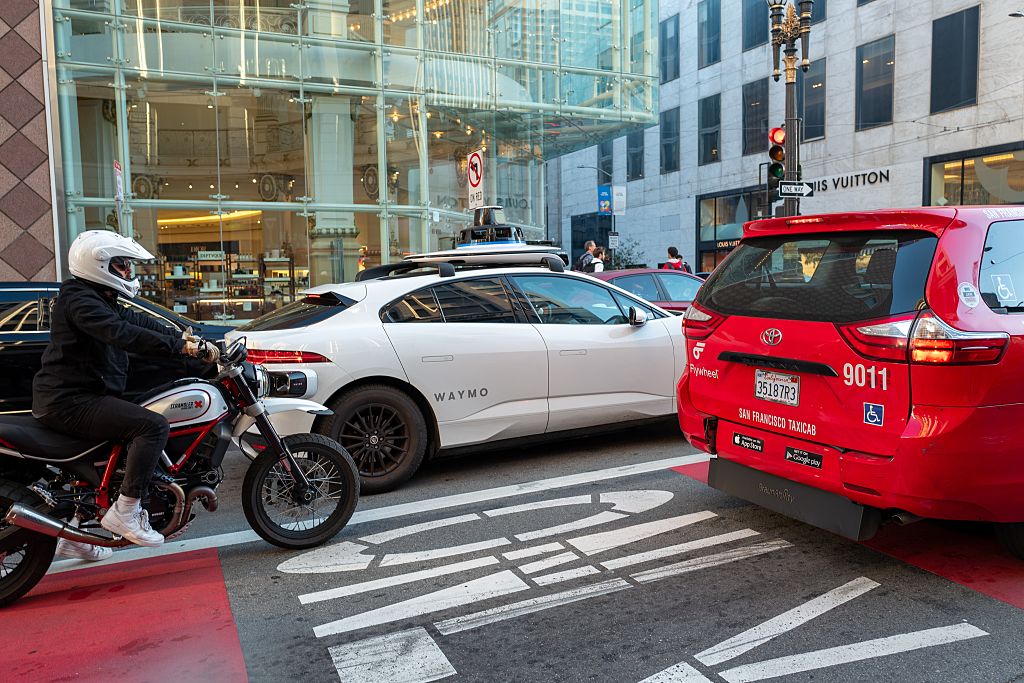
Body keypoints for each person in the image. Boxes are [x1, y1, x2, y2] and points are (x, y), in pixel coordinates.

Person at [32, 230, 220, 559]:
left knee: (117, 447)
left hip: (81, 395)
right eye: (122, 266)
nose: (128, 273)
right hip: (70, 401)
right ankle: (127, 510)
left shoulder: (96, 296)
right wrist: (181, 347)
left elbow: (139, 322)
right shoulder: (81, 301)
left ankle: (77, 533)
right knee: (152, 426)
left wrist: (188, 339)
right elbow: (122, 333)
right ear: (99, 265)